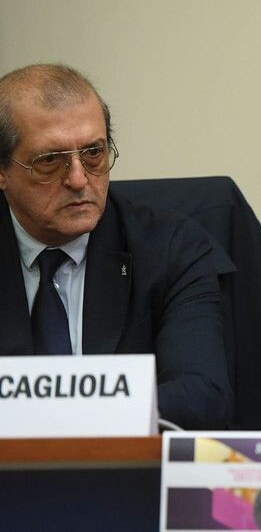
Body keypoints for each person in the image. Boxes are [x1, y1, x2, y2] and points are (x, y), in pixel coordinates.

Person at [0, 64, 231, 429]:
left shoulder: (173, 249)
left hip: (127, 462)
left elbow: (202, 395)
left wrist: (64, 419)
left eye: (94, 153)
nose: (79, 179)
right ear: (3, 172)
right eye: (49, 161)